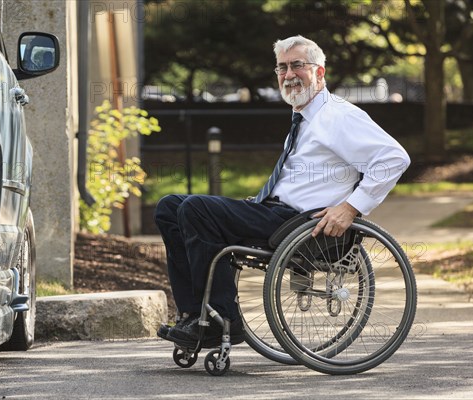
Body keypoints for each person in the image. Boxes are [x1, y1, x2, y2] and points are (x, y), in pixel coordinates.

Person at [154, 35, 410, 348]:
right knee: (168, 206)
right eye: (282, 68)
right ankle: (195, 315)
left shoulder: (338, 116)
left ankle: (222, 319)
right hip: (276, 213)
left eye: (297, 65)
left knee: (196, 209)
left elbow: (394, 158)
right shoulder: (305, 117)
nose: (288, 74)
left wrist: (351, 208)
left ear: (319, 72)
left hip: (302, 224)